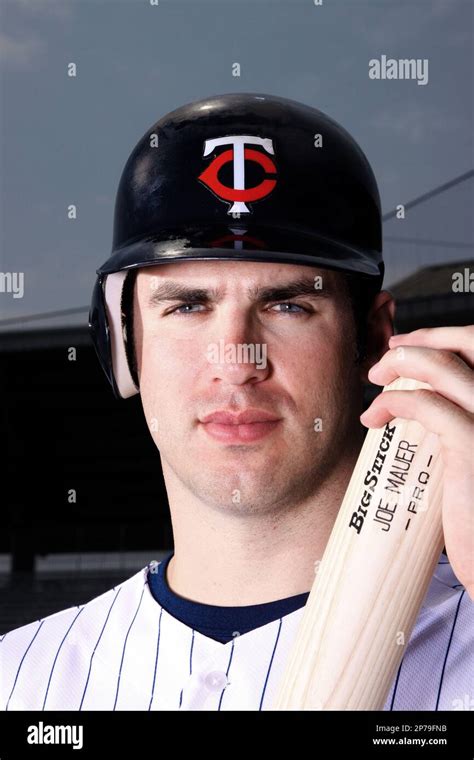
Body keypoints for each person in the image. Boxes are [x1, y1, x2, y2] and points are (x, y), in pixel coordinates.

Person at [1, 93, 472, 711]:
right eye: (188, 305)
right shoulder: (20, 677)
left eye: (288, 305)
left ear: (375, 340)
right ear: (122, 344)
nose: (236, 360)